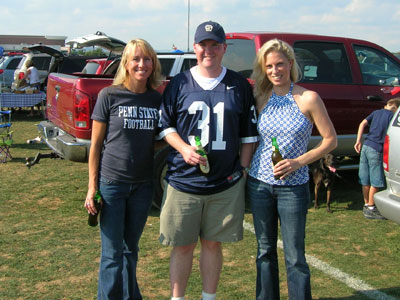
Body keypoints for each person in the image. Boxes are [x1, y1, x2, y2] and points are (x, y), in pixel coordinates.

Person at [158, 21, 258, 300]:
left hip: (224, 184)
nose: (208, 50)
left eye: (215, 45)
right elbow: (166, 126)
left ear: (224, 48)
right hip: (183, 181)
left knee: (213, 245)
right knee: (182, 246)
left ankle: (208, 297)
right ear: (194, 47)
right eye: (203, 45)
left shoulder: (238, 84)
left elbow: (249, 134)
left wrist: (243, 171)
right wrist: (184, 150)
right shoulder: (179, 83)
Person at [247, 39, 337, 300]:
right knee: (264, 251)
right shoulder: (260, 97)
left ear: (291, 64)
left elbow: (329, 139)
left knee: (295, 256)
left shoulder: (308, 98)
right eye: (269, 66)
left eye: (280, 64)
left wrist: (299, 162)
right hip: (260, 184)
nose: (275, 71)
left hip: (294, 187)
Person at [84, 38, 162, 300]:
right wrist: (92, 187)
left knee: (131, 250)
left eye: (147, 59)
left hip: (143, 186)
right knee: (112, 253)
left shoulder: (155, 99)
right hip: (112, 184)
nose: (142, 64)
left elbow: (160, 138)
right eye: (136, 59)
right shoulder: (109, 95)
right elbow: (95, 146)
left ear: (153, 63)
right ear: (126, 64)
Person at [354, 97, 400, 220]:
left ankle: (366, 204)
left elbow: (362, 123)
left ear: (387, 105)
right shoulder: (391, 116)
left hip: (366, 146)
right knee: (376, 179)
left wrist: (358, 141)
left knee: (365, 178)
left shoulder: (376, 112)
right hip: (377, 149)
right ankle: (371, 207)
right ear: (395, 108)